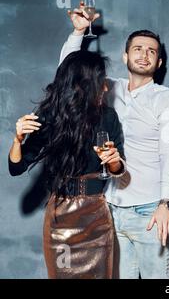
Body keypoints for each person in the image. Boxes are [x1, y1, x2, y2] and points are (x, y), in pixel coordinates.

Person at [60, 2, 169, 278]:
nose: (144, 55)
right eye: (138, 49)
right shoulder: (108, 88)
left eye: (152, 51)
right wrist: (78, 33)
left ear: (159, 63)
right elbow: (69, 76)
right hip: (108, 209)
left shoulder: (166, 100)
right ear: (125, 56)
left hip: (149, 211)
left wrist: (166, 203)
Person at [8, 50, 126, 279]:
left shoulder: (109, 116)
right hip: (61, 221)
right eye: (100, 82)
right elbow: (16, 168)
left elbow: (119, 169)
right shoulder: (51, 116)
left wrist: (113, 161)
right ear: (83, 84)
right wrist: (18, 140)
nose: (105, 88)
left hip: (96, 218)